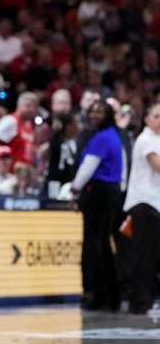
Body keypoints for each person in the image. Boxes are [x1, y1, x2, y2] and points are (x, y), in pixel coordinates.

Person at [70, 98, 123, 311]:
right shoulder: (114, 136)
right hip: (112, 191)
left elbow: (88, 167)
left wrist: (75, 189)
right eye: (92, 111)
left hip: (98, 192)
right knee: (104, 242)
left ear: (108, 115)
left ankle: (98, 296)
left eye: (99, 112)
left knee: (93, 244)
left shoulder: (101, 138)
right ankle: (113, 295)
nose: (94, 115)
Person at [122, 103, 160, 315]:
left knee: (152, 256)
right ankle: (140, 301)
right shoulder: (146, 139)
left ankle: (149, 299)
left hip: (155, 203)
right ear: (146, 119)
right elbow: (157, 165)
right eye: (156, 116)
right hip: (144, 204)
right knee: (144, 256)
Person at [0, 91, 38, 171]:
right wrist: (1, 166)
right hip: (7, 174)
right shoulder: (11, 121)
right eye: (28, 106)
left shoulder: (29, 125)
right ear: (18, 105)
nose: (31, 109)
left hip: (21, 174)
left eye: (34, 107)